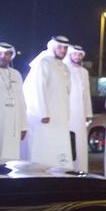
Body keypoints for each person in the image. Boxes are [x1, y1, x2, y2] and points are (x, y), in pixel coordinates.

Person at [23, 36, 72, 168]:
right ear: (52, 47)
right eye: (60, 47)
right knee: (43, 145)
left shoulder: (64, 67)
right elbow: (38, 89)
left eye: (65, 48)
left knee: (58, 146)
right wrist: (43, 113)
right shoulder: (44, 63)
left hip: (60, 116)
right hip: (45, 116)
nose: (63, 50)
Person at [64, 45, 93, 172]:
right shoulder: (64, 69)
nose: (78, 57)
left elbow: (86, 94)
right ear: (70, 55)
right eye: (75, 54)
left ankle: (81, 169)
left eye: (80, 55)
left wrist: (88, 113)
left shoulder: (84, 72)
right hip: (68, 112)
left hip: (80, 113)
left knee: (80, 141)